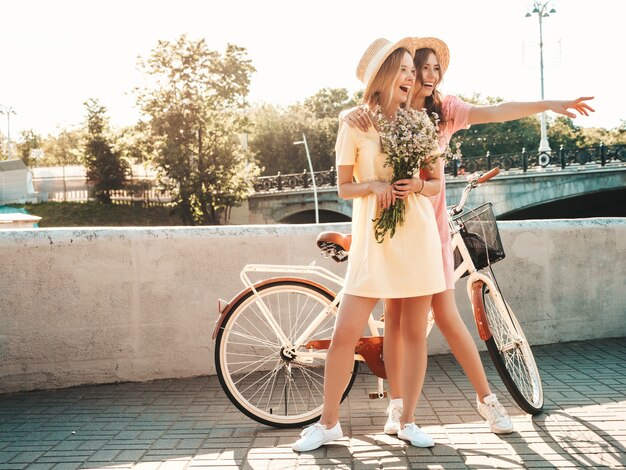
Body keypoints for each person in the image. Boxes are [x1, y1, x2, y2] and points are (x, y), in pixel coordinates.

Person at [342, 35, 595, 436]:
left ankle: (486, 400)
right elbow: (361, 136)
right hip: (391, 227)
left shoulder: (445, 111)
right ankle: (397, 408)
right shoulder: (391, 112)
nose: (425, 75)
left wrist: (549, 104)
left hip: (432, 229)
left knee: (446, 314)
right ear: (402, 74)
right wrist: (357, 115)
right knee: (394, 318)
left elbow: (496, 111)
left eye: (432, 68)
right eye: (417, 67)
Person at [292, 38, 447, 452]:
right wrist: (374, 185)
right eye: (404, 69)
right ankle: (328, 424)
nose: (412, 76)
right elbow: (343, 187)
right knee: (345, 334)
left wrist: (416, 183)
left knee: (414, 334)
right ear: (382, 76)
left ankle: (408, 421)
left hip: (416, 236)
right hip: (373, 242)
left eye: (414, 70)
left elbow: (434, 184)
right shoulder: (354, 122)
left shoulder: (420, 123)